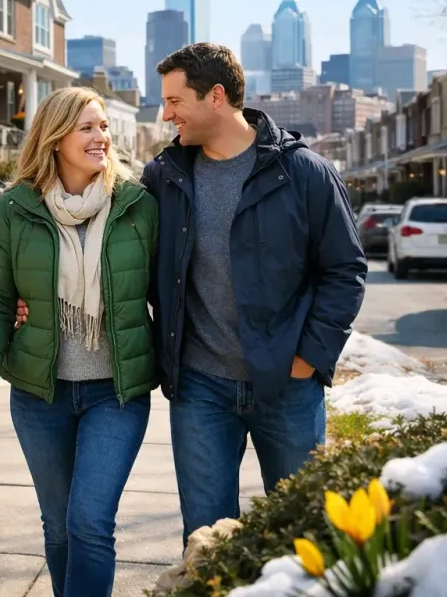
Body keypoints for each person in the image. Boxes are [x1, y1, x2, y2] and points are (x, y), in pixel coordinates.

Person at [143, 43, 367, 543]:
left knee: (304, 535)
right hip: (200, 388)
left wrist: (309, 357)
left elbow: (344, 270)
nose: (166, 113)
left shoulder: (304, 172)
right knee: (204, 539)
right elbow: (123, 255)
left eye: (176, 100)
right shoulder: (165, 177)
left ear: (216, 96)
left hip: (288, 385)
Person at [0, 86, 159, 597]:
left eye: (104, 128)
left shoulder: (137, 205)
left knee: (90, 521)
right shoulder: (16, 210)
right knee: (58, 525)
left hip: (115, 393)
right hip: (40, 393)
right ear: (55, 137)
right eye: (87, 127)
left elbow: (172, 289)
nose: (101, 138)